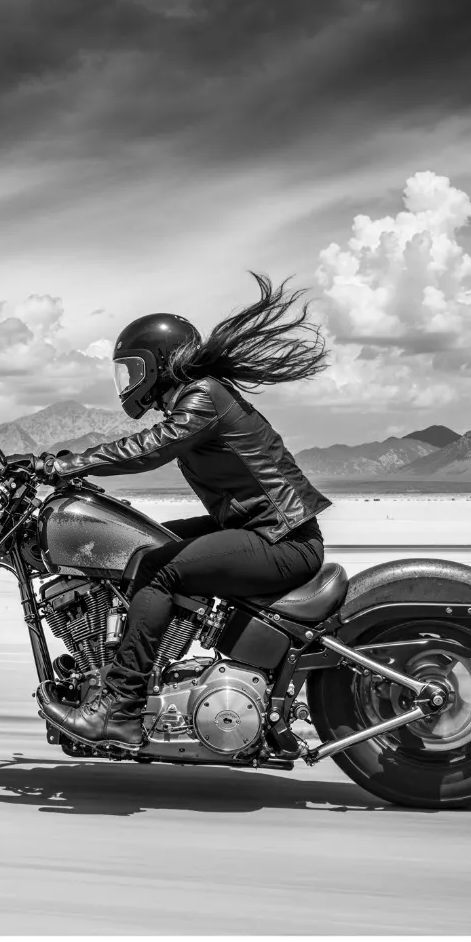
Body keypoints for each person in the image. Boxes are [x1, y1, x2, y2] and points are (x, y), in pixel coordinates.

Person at [36, 275, 332, 749]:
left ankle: (121, 707)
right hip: (262, 530)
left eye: (133, 370)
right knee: (146, 543)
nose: (129, 383)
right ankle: (152, 678)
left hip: (281, 540)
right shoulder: (200, 396)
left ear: (159, 363)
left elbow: (150, 448)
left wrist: (63, 463)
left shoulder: (201, 396)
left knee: (158, 570)